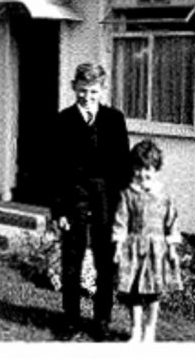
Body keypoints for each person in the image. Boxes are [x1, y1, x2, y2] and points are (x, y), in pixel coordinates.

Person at [51, 63, 130, 341]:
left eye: (93, 91)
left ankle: (102, 321)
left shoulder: (114, 119)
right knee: (71, 261)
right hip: (73, 200)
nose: (87, 97)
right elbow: (55, 170)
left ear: (102, 90)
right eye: (82, 91)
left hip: (106, 201)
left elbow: (124, 169)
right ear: (73, 87)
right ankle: (70, 320)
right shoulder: (62, 121)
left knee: (105, 263)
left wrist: (122, 210)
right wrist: (58, 209)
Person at [112, 139, 183, 342]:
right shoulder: (127, 194)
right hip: (133, 249)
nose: (142, 174)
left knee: (153, 292)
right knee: (134, 292)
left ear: (156, 169)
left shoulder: (164, 196)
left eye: (147, 169)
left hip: (157, 250)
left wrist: (172, 248)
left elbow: (171, 222)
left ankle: (149, 330)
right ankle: (135, 330)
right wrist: (118, 246)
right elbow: (121, 221)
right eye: (138, 168)